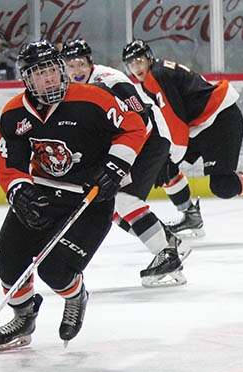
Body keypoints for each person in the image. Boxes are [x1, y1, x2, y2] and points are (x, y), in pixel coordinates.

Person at [0, 40, 148, 352]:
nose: (47, 79)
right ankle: (24, 317)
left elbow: (133, 128)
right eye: (38, 74)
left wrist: (114, 167)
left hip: (91, 198)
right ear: (26, 79)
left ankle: (75, 296)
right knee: (8, 261)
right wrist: (19, 191)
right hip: (44, 193)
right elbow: (9, 162)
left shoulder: (94, 99)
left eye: (51, 70)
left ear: (60, 70)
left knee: (55, 271)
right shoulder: (13, 114)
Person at [61, 38, 188, 287]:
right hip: (129, 143)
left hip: (149, 137)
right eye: (71, 66)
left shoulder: (110, 80)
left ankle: (167, 254)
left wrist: (130, 158)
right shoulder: (72, 90)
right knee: (109, 205)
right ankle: (167, 241)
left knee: (124, 199)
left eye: (80, 64)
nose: (76, 71)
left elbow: (141, 116)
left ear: (90, 63)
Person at [122, 39, 243, 237]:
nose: (136, 67)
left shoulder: (157, 76)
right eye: (131, 63)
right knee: (163, 162)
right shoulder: (155, 75)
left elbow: (176, 122)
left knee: (223, 186)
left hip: (221, 121)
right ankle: (190, 215)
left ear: (149, 58)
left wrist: (169, 157)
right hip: (204, 125)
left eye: (139, 61)